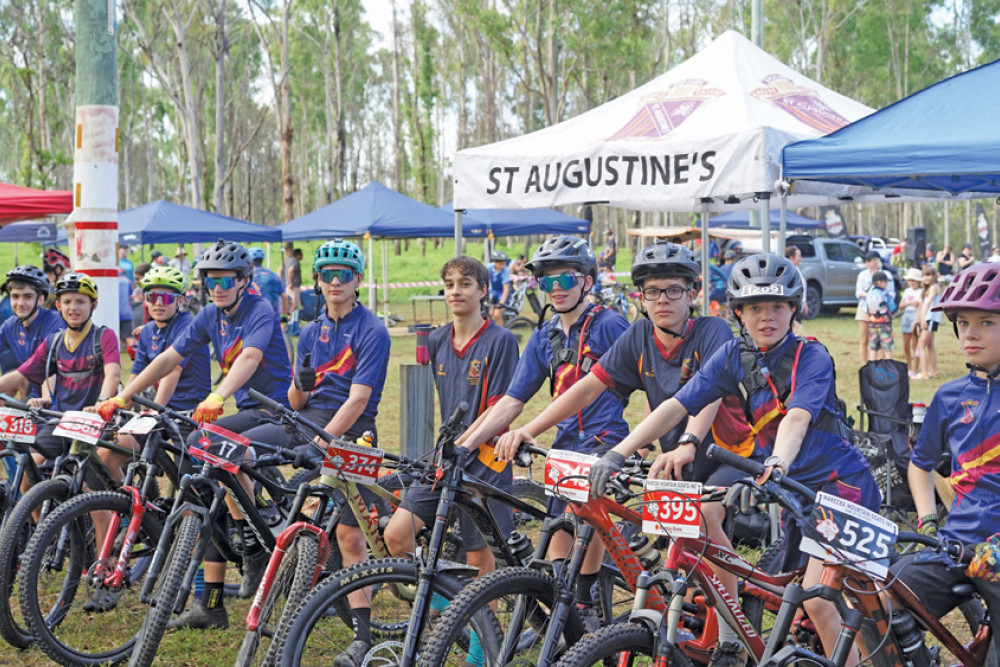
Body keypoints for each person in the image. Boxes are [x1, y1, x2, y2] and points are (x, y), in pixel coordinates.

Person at [587, 253, 878, 666]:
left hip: (840, 488)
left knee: (819, 600)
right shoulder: (732, 356)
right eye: (755, 308)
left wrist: (774, 465)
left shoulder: (810, 356)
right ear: (738, 313)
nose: (767, 317)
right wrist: (617, 453)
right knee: (799, 596)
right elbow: (675, 405)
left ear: (794, 308)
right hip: (792, 492)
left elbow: (796, 419)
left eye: (777, 306)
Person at [494, 240, 753, 665]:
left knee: (704, 521)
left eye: (674, 290)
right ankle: (682, 611)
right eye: (652, 292)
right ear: (641, 298)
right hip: (672, 462)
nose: (663, 299)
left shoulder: (713, 331)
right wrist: (528, 428)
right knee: (678, 550)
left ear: (693, 293)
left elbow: (707, 394)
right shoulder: (639, 335)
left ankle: (732, 638)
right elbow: (587, 386)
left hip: (728, 456)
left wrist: (689, 441)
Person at [96, 238, 293, 630]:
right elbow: (169, 357)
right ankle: (211, 604)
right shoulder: (210, 315)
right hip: (247, 411)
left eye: (225, 281)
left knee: (218, 451)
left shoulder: (259, 309)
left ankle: (252, 541)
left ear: (243, 280)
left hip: (277, 412)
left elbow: (251, 357)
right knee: (201, 491)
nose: (217, 288)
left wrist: (218, 394)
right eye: (211, 282)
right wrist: (124, 396)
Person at [460, 236, 630, 630]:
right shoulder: (543, 336)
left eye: (566, 279)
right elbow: (512, 400)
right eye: (546, 282)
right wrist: (464, 444)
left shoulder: (610, 325)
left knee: (582, 522)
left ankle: (585, 611)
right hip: (565, 444)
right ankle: (568, 616)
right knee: (556, 538)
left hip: (605, 439)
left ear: (588, 281)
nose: (556, 289)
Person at [243, 239, 390, 666]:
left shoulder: (373, 329)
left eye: (343, 274)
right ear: (317, 281)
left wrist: (320, 440)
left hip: (352, 429)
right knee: (243, 455)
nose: (335, 282)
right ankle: (268, 529)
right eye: (327, 275)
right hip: (310, 421)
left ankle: (361, 638)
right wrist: (302, 383)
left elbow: (359, 401)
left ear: (358, 280)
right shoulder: (309, 329)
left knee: (349, 534)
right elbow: (295, 400)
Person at [383, 255, 520, 667]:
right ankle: (457, 602)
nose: (456, 291)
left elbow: (501, 405)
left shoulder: (501, 340)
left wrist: (466, 442)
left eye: (465, 284)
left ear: (483, 290)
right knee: (397, 536)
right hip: (446, 461)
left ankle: (483, 654)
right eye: (449, 285)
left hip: (486, 462)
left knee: (481, 563)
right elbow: (426, 397)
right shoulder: (438, 339)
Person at [888, 261, 1000, 660]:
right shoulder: (949, 396)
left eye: (987, 322)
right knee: (880, 603)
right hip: (955, 546)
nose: (971, 332)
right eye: (963, 321)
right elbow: (920, 464)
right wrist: (928, 521)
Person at [0, 273, 120, 501]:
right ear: (58, 305)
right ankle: (43, 533)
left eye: (80, 302)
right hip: (62, 420)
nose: (73, 307)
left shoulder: (104, 336)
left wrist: (102, 400)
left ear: (93, 305)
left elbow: (113, 373)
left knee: (91, 487)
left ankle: (121, 519)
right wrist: (45, 398)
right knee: (29, 474)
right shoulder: (54, 342)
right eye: (67, 302)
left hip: (95, 422)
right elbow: (20, 374)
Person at [0, 266, 64, 394]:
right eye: (15, 296)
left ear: (40, 299)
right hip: (32, 396)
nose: (20, 303)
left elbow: (35, 371)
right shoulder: (10, 326)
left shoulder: (55, 322)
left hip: (58, 399)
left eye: (27, 297)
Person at [856, 251, 895, 365]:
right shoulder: (863, 275)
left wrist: (880, 298)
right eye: (866, 260)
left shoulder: (886, 275)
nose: (867, 263)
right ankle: (865, 365)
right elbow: (858, 292)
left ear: (876, 261)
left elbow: (892, 293)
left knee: (884, 339)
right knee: (864, 339)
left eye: (869, 260)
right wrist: (872, 297)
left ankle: (883, 364)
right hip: (865, 308)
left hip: (882, 311)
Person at [916, 264, 941, 380]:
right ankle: (933, 371)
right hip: (930, 318)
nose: (925, 278)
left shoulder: (934, 287)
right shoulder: (929, 288)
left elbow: (928, 303)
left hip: (930, 319)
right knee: (930, 346)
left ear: (934, 276)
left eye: (928, 275)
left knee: (921, 345)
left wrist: (922, 318)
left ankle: (924, 373)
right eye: (924, 275)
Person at [249, 246, 287, 317]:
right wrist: (284, 316)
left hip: (253, 315)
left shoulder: (246, 277)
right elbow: (284, 296)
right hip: (273, 314)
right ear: (262, 259)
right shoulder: (274, 276)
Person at [899, 268, 924, 377]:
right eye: (910, 280)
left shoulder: (921, 292)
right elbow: (901, 306)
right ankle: (908, 367)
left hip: (915, 316)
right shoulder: (906, 291)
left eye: (914, 280)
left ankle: (915, 368)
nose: (911, 282)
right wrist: (910, 303)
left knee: (915, 344)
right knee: (906, 345)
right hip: (906, 316)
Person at [866, 271, 895, 361]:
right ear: (879, 282)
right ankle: (888, 367)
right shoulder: (884, 294)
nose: (886, 284)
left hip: (872, 325)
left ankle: (871, 369)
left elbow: (866, 308)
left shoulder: (869, 294)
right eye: (885, 282)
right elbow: (892, 307)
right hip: (884, 325)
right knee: (887, 348)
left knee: (873, 348)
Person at [785, 245, 808, 333]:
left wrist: (804, 303)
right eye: (799, 256)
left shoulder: (796, 269)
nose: (801, 258)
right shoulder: (789, 272)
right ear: (791, 258)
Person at [488, 251, 512, 325]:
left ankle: (502, 333)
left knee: (497, 314)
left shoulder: (505, 272)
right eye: (500, 264)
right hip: (494, 293)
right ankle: (497, 329)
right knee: (491, 313)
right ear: (494, 262)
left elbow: (506, 289)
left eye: (504, 264)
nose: (502, 266)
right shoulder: (489, 267)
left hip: (503, 295)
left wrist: (501, 303)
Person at [283, 246, 303, 313]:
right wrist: (291, 283)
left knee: (290, 304)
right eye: (301, 254)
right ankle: (290, 319)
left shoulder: (288, 261)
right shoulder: (296, 262)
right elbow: (290, 271)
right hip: (294, 286)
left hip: (287, 285)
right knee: (294, 305)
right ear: (298, 255)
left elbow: (280, 270)